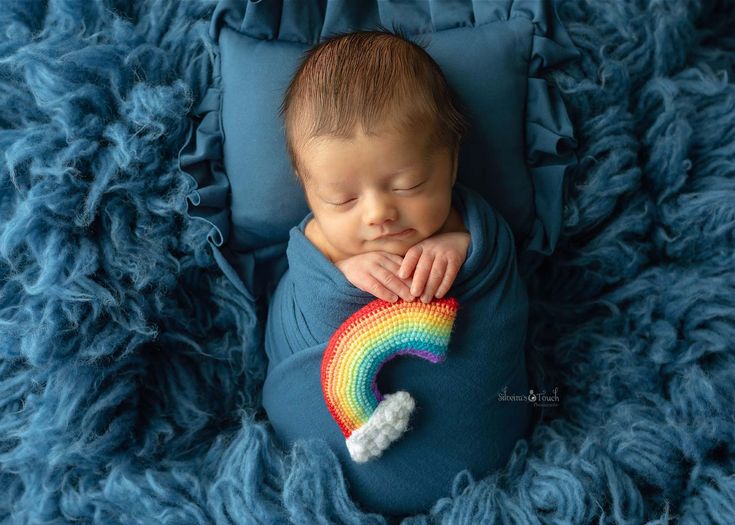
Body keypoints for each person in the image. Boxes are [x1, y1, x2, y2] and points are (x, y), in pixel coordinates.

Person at [279, 29, 471, 304]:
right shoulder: (319, 243)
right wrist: (342, 274)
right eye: (342, 199)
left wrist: (462, 247)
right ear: (306, 187)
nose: (378, 213)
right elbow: (300, 298)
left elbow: (494, 258)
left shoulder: (457, 223)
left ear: (453, 162)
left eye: (409, 185)